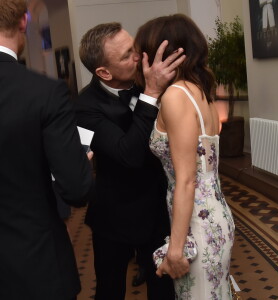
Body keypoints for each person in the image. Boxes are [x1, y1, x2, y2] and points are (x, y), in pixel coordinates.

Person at [75, 22, 185, 300]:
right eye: (126, 55)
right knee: (110, 290)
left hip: (159, 209)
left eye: (134, 47)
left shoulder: (148, 81)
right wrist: (151, 94)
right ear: (104, 72)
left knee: (163, 289)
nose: (139, 57)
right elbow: (129, 154)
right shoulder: (85, 106)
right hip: (114, 216)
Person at [134, 14, 236, 299]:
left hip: (197, 224)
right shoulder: (201, 91)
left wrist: (175, 249)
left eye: (143, 53)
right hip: (212, 216)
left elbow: (187, 180)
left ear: (163, 54)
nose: (140, 62)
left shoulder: (176, 96)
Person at [0, 1, 94, 299]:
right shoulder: (43, 93)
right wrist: (80, 162)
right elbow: (77, 189)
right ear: (23, 22)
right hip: (34, 264)